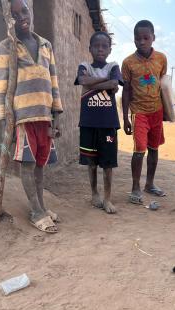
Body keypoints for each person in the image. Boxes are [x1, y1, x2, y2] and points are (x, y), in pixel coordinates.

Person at [0, 0, 63, 233]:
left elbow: (53, 81)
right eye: (14, 14)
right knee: (28, 164)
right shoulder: (6, 47)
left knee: (40, 165)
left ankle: (42, 206)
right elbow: (0, 87)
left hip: (44, 116)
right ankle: (36, 211)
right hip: (22, 118)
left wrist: (57, 114)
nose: (21, 16)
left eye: (24, 10)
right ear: (7, 19)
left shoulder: (45, 45)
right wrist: (5, 120)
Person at [75, 31, 123, 214]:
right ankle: (94, 194)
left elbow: (114, 84)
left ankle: (107, 198)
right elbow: (82, 80)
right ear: (90, 49)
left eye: (104, 46)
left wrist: (91, 84)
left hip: (108, 124)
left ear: (110, 50)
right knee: (91, 162)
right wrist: (107, 81)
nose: (100, 49)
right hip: (88, 123)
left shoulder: (113, 65)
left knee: (108, 163)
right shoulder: (84, 65)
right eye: (97, 46)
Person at [122, 20, 168, 204]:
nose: (141, 42)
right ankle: (135, 187)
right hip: (139, 112)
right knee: (139, 149)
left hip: (157, 111)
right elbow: (126, 91)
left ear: (153, 38)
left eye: (146, 38)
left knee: (154, 149)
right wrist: (125, 117)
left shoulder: (161, 59)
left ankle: (150, 184)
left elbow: (164, 86)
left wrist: (167, 111)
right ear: (133, 40)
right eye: (137, 39)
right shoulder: (128, 63)